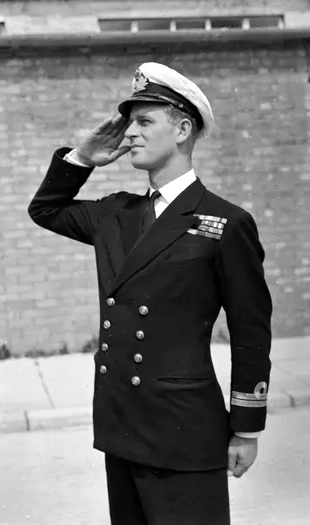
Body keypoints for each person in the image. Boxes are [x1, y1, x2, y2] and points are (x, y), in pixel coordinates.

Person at [28, 62, 273, 525]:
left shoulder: (224, 223)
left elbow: (251, 333)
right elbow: (46, 210)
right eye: (131, 123)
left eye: (145, 122)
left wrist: (245, 429)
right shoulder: (116, 213)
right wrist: (82, 157)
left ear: (183, 130)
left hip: (182, 429)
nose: (131, 135)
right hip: (122, 423)